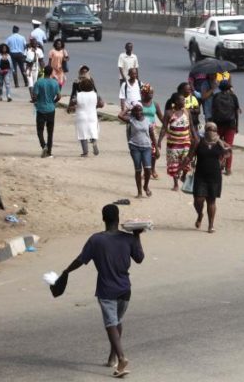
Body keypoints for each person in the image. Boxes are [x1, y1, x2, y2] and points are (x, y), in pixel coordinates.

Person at [61, 204, 144, 378]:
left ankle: (121, 357)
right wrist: (136, 236)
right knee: (117, 320)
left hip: (107, 289)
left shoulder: (96, 240)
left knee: (111, 323)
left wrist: (66, 271)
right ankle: (112, 357)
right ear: (119, 219)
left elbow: (80, 260)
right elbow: (140, 259)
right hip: (125, 288)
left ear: (103, 219)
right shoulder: (128, 238)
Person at [184, 121, 232, 233]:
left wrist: (223, 159)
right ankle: (200, 214)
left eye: (213, 129)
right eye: (209, 129)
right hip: (200, 175)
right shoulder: (198, 142)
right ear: (205, 130)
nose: (211, 131)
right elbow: (189, 157)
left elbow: (229, 150)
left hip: (215, 176)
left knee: (211, 201)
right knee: (198, 200)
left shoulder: (220, 143)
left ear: (216, 131)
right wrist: (182, 170)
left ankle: (211, 225)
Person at [118, 104, 158, 198]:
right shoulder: (131, 120)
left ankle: (146, 186)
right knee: (138, 170)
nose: (138, 112)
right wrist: (127, 109)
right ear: (133, 112)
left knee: (148, 169)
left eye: (140, 110)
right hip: (135, 147)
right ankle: (139, 191)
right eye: (136, 111)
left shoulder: (147, 121)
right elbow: (120, 116)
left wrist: (156, 148)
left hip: (147, 147)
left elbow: (152, 135)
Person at [158, 93, 195, 191]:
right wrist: (159, 141)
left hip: (186, 141)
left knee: (187, 161)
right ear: (176, 102)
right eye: (182, 100)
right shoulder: (169, 113)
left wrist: (195, 137)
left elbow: (191, 126)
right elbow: (164, 128)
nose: (184, 101)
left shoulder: (187, 112)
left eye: (184, 100)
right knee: (173, 163)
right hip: (173, 143)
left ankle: (183, 175)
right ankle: (175, 184)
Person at [211, 80, 240, 175]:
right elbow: (236, 112)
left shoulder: (216, 96)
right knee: (228, 146)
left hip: (218, 124)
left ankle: (217, 165)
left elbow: (213, 110)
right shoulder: (233, 97)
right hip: (230, 125)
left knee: (218, 145)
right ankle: (228, 169)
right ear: (229, 88)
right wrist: (237, 126)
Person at [32, 66, 61, 157]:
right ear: (52, 72)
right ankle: (49, 151)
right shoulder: (55, 83)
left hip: (41, 109)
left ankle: (44, 145)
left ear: (44, 72)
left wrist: (36, 102)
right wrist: (53, 102)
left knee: (40, 130)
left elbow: (35, 96)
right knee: (50, 131)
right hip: (51, 109)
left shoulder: (39, 82)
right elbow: (59, 96)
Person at [140, 83, 164, 180]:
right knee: (143, 150)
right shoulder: (139, 103)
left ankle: (152, 169)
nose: (151, 95)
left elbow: (161, 117)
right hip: (141, 129)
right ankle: (146, 170)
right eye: (148, 93)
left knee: (153, 151)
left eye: (152, 93)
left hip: (152, 129)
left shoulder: (155, 104)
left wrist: (168, 125)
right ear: (143, 93)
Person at [75, 78, 102, 157]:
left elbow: (73, 103)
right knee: (93, 130)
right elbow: (102, 104)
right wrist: (95, 106)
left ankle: (85, 152)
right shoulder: (95, 94)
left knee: (82, 133)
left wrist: (71, 107)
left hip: (81, 115)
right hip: (92, 115)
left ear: (81, 86)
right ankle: (94, 143)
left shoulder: (78, 95)